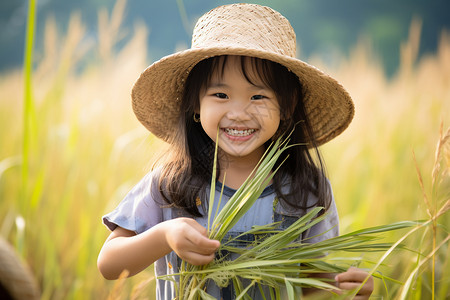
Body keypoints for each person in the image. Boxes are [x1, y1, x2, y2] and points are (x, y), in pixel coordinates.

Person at [97, 3, 374, 299]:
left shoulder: (306, 191)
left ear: (287, 106)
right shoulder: (170, 184)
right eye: (220, 95)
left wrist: (339, 284)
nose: (239, 113)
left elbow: (306, 281)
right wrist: (165, 236)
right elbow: (110, 263)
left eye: (258, 96)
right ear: (195, 104)